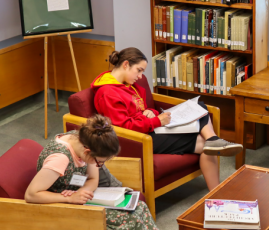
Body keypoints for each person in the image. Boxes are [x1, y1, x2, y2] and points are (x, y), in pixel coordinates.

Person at [24, 115, 206, 230]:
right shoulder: (60, 158)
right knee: (126, 220)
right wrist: (69, 199)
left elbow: (93, 179)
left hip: (79, 197)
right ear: (88, 153)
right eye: (101, 161)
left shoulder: (85, 142)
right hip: (59, 206)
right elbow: (31, 194)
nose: (101, 165)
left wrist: (82, 191)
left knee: (138, 206)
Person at [92, 47, 242, 191]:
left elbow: (142, 107)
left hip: (149, 127)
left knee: (200, 107)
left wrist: (150, 112)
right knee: (204, 145)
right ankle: (216, 192)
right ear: (126, 65)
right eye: (139, 70)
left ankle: (213, 139)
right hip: (139, 138)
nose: (140, 77)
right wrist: (157, 121)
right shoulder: (108, 92)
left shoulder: (127, 84)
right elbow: (124, 127)